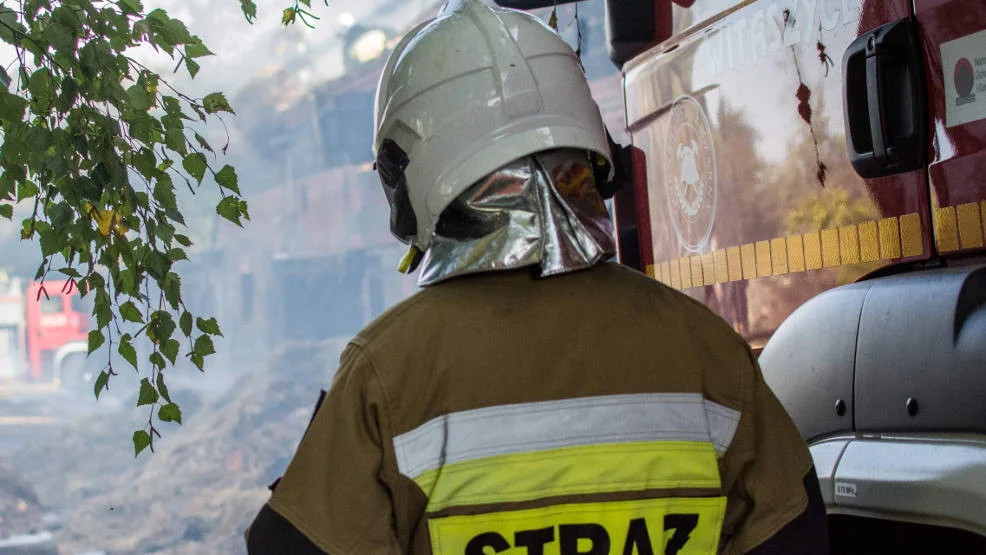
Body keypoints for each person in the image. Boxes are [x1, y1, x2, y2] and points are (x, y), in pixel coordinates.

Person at [245, 1, 828, 553]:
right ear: (588, 150)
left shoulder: (386, 371)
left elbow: (294, 545)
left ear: (413, 168)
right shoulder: (707, 349)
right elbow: (792, 527)